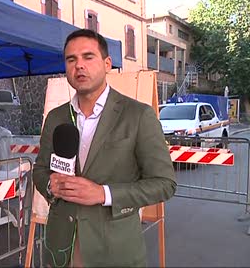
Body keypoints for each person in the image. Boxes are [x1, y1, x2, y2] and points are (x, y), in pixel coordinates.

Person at [33, 29, 177, 267]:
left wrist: (104, 194)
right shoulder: (56, 117)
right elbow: (39, 170)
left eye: (88, 57)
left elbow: (164, 184)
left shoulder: (138, 115)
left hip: (114, 250)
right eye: (71, 59)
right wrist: (50, 184)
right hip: (61, 247)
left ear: (107, 63)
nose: (79, 65)